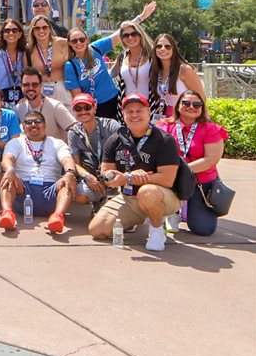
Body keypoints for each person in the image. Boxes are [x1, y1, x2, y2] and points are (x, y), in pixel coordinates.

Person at [88, 93, 183, 252]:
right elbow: (106, 172)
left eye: (139, 110)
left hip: (163, 197)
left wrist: (129, 178)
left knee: (147, 192)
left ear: (149, 112)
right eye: (129, 111)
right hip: (129, 198)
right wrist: (110, 179)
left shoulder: (164, 140)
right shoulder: (115, 139)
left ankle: (157, 229)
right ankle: (134, 220)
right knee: (97, 230)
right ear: (123, 115)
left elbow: (167, 179)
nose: (134, 115)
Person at [0, 111, 78, 234]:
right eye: (29, 122)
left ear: (45, 125)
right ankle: (7, 213)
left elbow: (67, 160)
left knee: (67, 181)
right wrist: (10, 170)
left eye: (37, 121)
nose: (33, 124)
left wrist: (70, 172)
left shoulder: (57, 143)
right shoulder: (15, 142)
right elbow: (7, 159)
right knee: (8, 177)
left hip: (50, 189)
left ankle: (57, 217)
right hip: (23, 189)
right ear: (24, 127)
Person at [159, 91, 227, 236]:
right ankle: (171, 212)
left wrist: (182, 170)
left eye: (197, 104)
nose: (191, 107)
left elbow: (211, 159)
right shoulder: (164, 126)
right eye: (186, 103)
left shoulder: (211, 129)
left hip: (201, 183)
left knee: (204, 229)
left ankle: (188, 211)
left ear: (202, 108)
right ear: (178, 106)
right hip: (172, 182)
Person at [66, 93, 120, 211]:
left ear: (95, 108)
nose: (83, 111)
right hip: (92, 176)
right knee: (78, 196)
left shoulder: (111, 125)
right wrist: (88, 177)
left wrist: (108, 176)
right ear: (73, 111)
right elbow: (75, 163)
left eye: (87, 107)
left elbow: (123, 155)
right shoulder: (73, 133)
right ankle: (99, 201)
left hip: (114, 175)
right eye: (78, 108)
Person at [64, 28, 118, 120]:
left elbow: (120, 34)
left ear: (87, 40)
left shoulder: (96, 48)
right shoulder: (70, 65)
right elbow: (78, 96)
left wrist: (141, 17)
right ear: (69, 43)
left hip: (113, 101)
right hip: (93, 108)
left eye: (82, 39)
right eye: (74, 41)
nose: (78, 43)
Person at [151, 34, 206, 119]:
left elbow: (201, 98)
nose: (163, 49)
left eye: (167, 46)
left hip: (186, 116)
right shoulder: (158, 72)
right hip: (167, 116)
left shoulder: (184, 70)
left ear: (174, 49)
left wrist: (205, 121)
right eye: (159, 46)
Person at [15, 67, 76, 141]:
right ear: (21, 86)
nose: (30, 88)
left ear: (41, 85)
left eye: (34, 85)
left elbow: (76, 130)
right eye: (26, 85)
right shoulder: (19, 108)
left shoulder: (55, 107)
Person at [25, 15, 71, 105]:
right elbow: (26, 75)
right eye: (37, 28)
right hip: (42, 91)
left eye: (44, 27)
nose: (41, 31)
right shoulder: (29, 50)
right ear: (33, 31)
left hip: (63, 89)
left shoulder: (62, 43)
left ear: (49, 29)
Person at [0, 18, 27, 106]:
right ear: (2, 34)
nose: (11, 33)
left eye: (15, 30)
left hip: (22, 98)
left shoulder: (25, 52)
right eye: (7, 30)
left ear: (20, 33)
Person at [110, 19, 155, 106]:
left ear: (140, 35)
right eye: (125, 35)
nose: (130, 38)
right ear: (122, 39)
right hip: (128, 107)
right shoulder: (122, 56)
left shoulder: (152, 55)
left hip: (150, 106)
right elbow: (110, 75)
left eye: (134, 34)